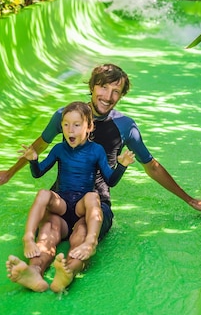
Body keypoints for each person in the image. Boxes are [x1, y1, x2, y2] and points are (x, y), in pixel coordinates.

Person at [0, 63, 201, 292]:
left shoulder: (125, 126)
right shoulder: (66, 116)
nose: (108, 96)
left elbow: (151, 166)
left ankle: (67, 272)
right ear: (92, 86)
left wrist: (190, 200)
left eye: (116, 91)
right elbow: (41, 145)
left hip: (95, 206)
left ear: (121, 96)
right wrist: (10, 172)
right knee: (49, 229)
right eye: (103, 87)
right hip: (62, 201)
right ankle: (34, 272)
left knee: (83, 234)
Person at [19, 101, 134, 291]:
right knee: (43, 195)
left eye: (77, 125)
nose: (70, 130)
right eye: (65, 124)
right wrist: (33, 160)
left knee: (91, 197)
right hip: (62, 205)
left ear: (89, 127)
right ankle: (32, 260)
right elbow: (38, 172)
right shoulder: (58, 149)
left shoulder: (96, 150)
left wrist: (122, 166)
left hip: (82, 208)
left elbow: (110, 180)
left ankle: (83, 252)